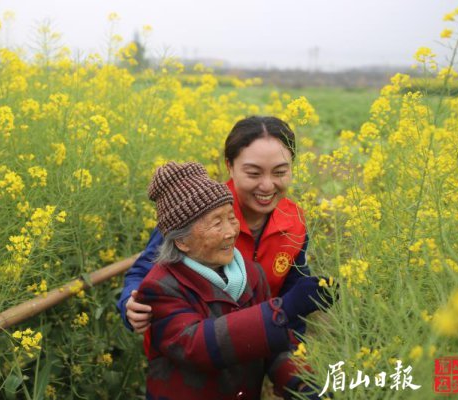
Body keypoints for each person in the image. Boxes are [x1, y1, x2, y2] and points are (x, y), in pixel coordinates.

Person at [138, 161, 334, 399]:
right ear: (182, 241)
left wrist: (301, 383)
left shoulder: (252, 274)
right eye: (217, 223)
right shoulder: (160, 286)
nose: (231, 231)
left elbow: (274, 345)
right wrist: (282, 310)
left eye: (231, 218)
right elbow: (197, 345)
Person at [118, 116, 316, 336]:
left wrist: (290, 352)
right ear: (229, 166)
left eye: (280, 172)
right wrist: (131, 301)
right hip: (192, 348)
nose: (267, 185)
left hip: (258, 345)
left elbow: (293, 286)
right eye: (253, 173)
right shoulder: (195, 210)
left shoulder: (296, 220)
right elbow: (144, 269)